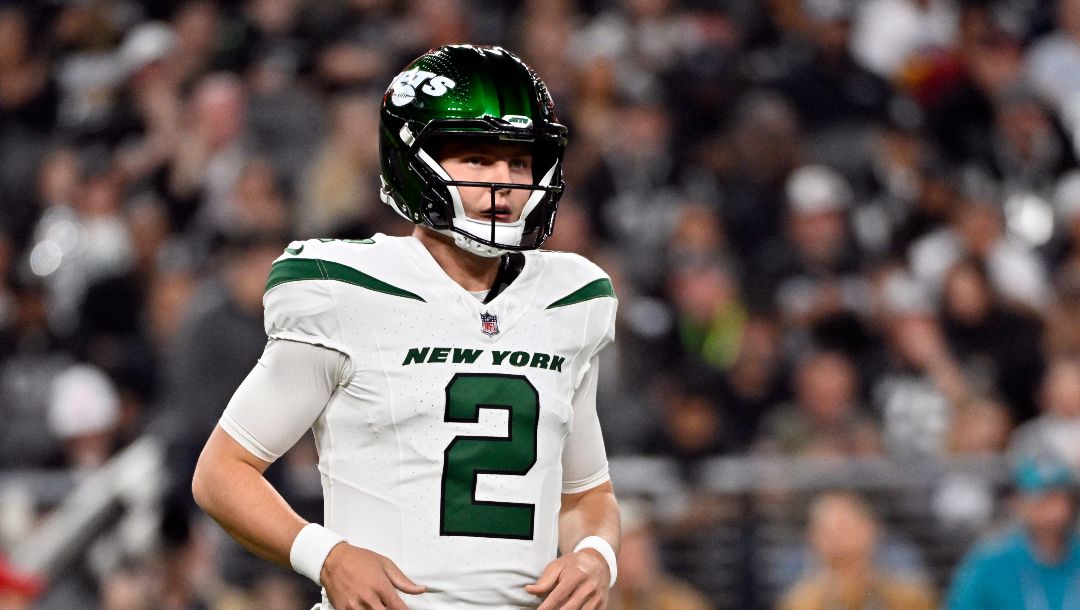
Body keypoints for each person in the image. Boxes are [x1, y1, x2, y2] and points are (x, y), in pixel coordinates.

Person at [191, 45, 621, 610]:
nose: (506, 182)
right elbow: (222, 472)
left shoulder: (568, 300)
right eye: (477, 159)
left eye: (519, 163)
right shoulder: (348, 290)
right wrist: (327, 556)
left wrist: (596, 555)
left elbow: (588, 494)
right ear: (416, 162)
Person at [946, 457, 1080, 610]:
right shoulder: (990, 562)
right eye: (1043, 500)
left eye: (1060, 499)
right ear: (1018, 503)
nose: (1053, 512)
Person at [778, 491, 937, 610]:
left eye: (844, 527)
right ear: (813, 537)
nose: (838, 539)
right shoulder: (800, 603)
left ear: (871, 529)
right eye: (829, 531)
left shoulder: (908, 598)